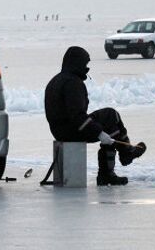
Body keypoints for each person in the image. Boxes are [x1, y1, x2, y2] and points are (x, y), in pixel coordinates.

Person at [44, 46, 147, 186]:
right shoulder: (73, 83)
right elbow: (77, 116)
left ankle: (114, 166)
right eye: (85, 64)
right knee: (111, 115)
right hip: (71, 130)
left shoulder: (57, 80)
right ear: (78, 63)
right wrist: (98, 133)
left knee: (110, 125)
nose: (87, 68)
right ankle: (121, 157)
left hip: (60, 130)